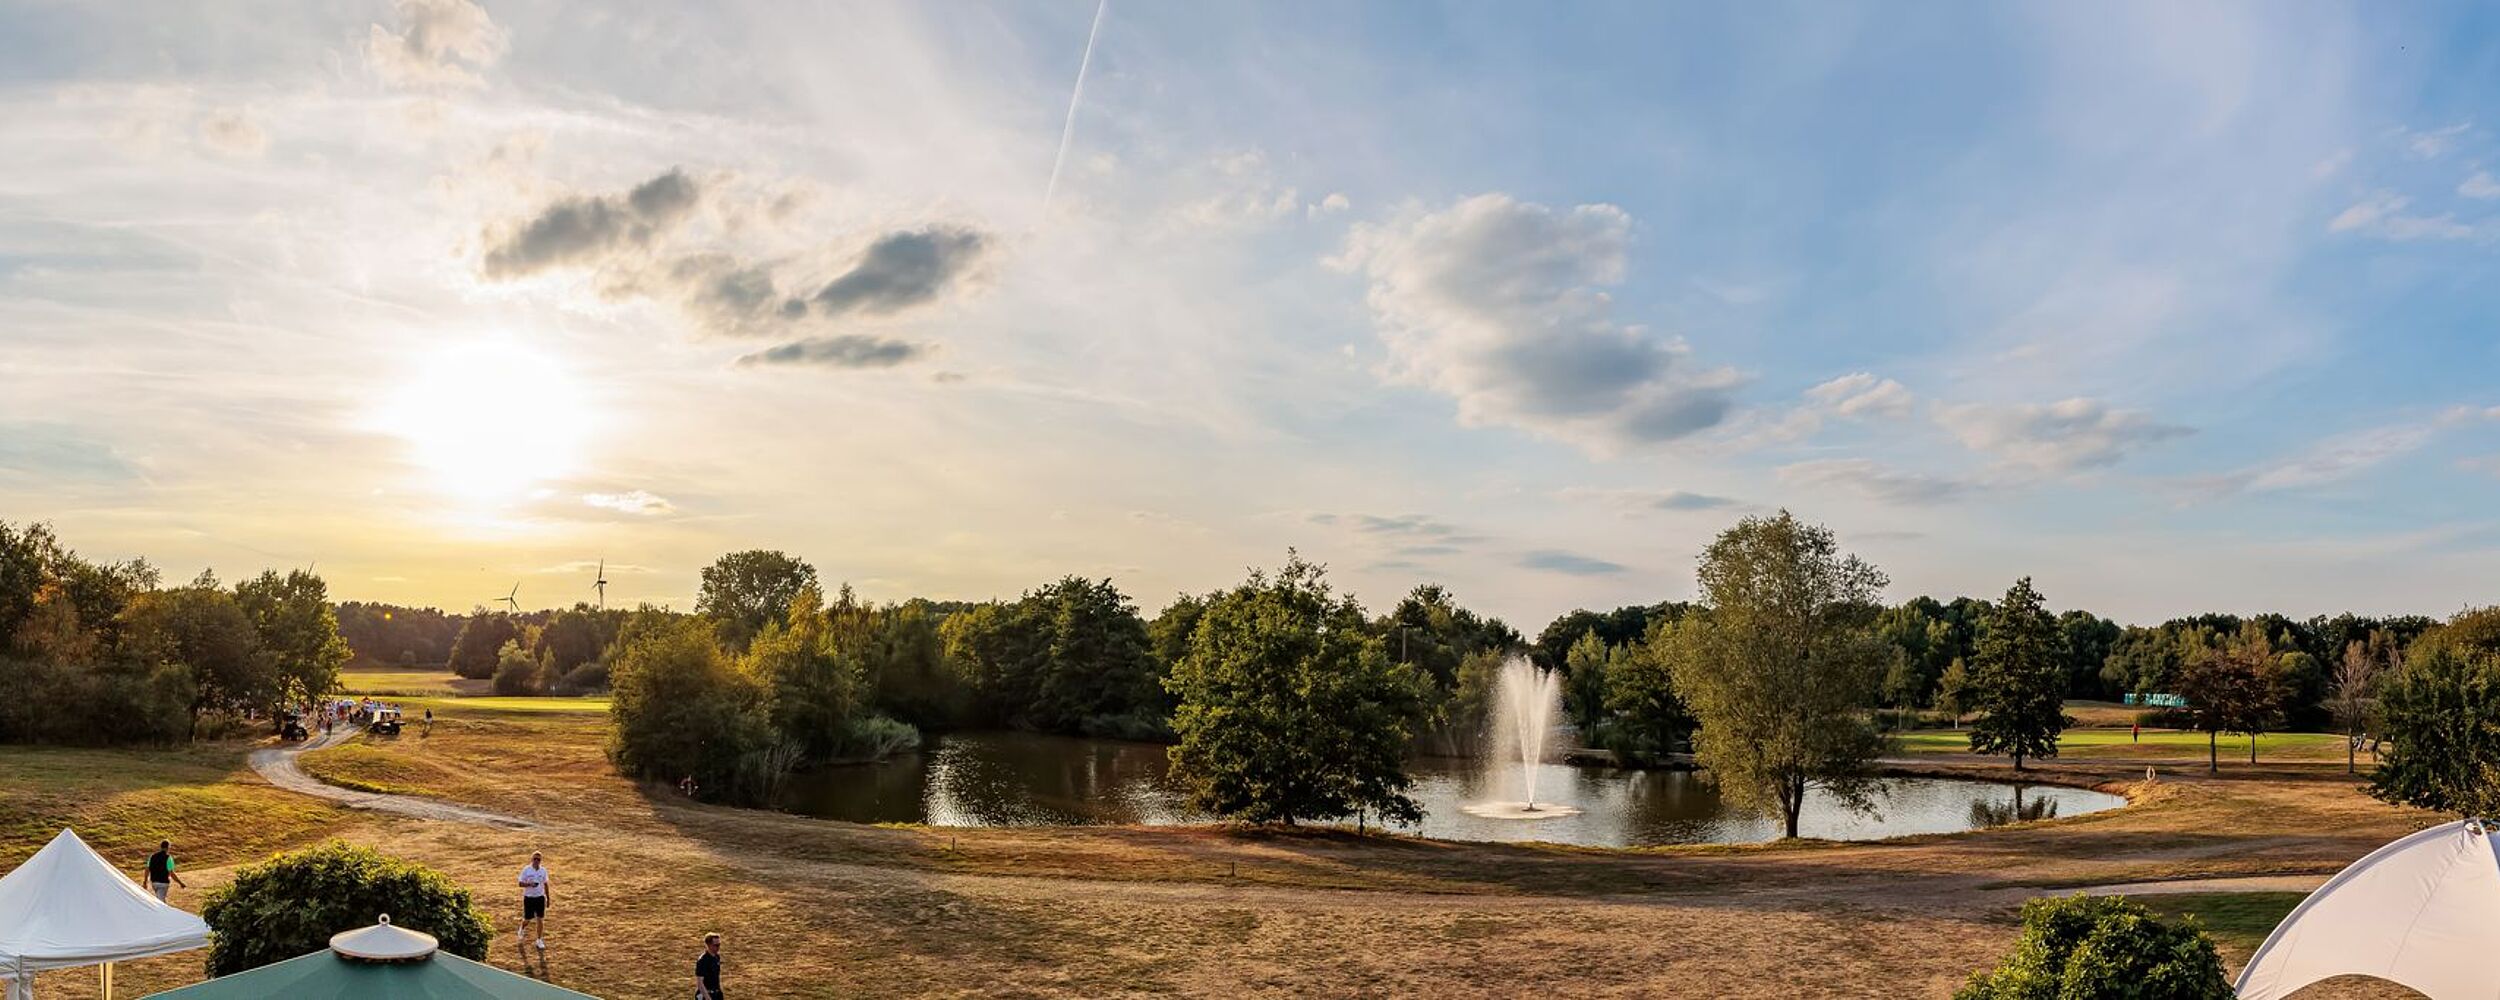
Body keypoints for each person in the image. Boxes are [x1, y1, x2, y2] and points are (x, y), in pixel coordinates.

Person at [517, 851, 551, 950]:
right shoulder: (526, 870)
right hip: (529, 898)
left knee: (540, 919)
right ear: (531, 859)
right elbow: (520, 883)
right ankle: (522, 928)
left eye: (538, 859)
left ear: (541, 860)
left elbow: (546, 884)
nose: (536, 861)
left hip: (540, 897)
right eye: (534, 859)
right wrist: (529, 884)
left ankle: (539, 940)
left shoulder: (543, 871)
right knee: (528, 919)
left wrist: (548, 898)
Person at [694, 933, 725, 999]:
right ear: (708, 945)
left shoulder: (716, 957)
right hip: (706, 995)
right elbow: (700, 983)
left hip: (716, 994)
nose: (718, 947)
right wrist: (708, 998)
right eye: (716, 945)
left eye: (719, 944)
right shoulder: (703, 961)